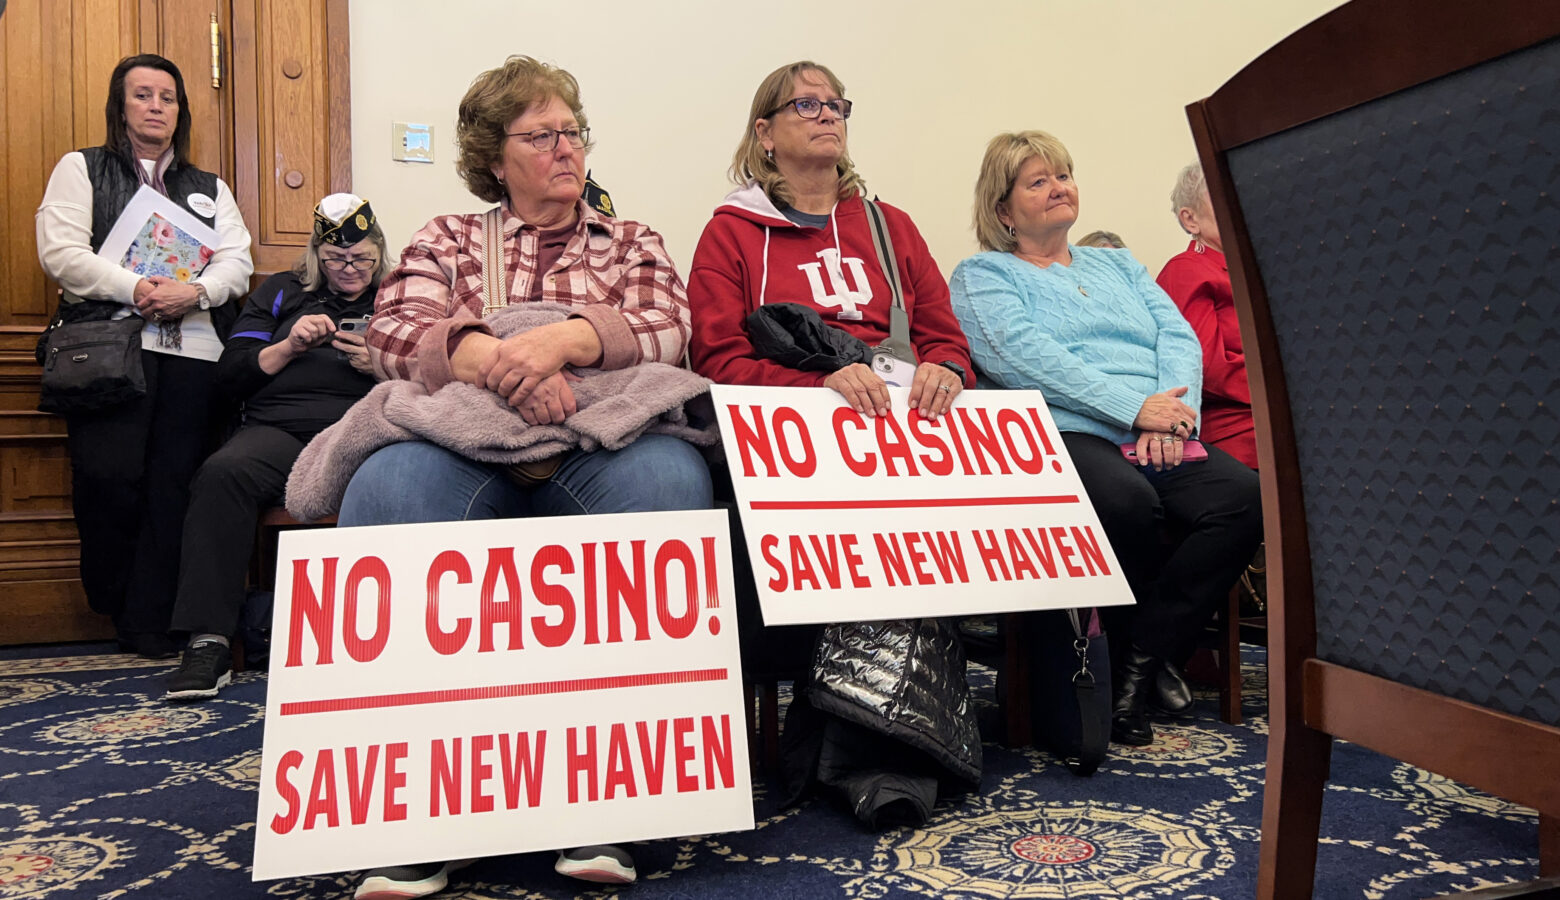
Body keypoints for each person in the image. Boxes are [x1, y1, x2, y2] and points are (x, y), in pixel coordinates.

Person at [339, 56, 710, 899]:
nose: (565, 148)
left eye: (572, 131)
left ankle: (612, 801)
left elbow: (667, 329)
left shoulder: (633, 239)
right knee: (387, 495)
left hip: (597, 443)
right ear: (493, 155)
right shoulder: (448, 238)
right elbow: (394, 331)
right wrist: (496, 357)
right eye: (541, 135)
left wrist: (566, 341)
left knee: (669, 486)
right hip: (466, 442)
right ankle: (415, 808)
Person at [688, 60, 980, 829]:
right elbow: (716, 360)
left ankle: (884, 734)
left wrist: (946, 372)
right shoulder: (731, 232)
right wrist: (814, 389)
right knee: (859, 512)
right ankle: (862, 738)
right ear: (765, 133)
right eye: (806, 104)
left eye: (836, 104)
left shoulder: (893, 227)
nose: (827, 115)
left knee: (916, 509)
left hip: (893, 430)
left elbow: (947, 339)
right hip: (793, 434)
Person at [948, 130, 1261, 746]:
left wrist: (1174, 414)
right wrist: (1133, 410)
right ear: (1003, 210)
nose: (1058, 187)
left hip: (1157, 423)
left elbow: (1177, 339)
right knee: (1127, 504)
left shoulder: (1118, 263)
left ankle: (1139, 662)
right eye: (1038, 181)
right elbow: (1023, 358)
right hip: (1067, 431)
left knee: (1243, 499)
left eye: (1063, 174)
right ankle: (1125, 666)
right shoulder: (983, 275)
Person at [35, 53, 254, 658]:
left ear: (180, 110)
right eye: (143, 96)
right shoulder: (82, 168)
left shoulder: (209, 186)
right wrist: (135, 288)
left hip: (192, 352)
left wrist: (198, 290)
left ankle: (151, 620)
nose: (157, 107)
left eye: (168, 97)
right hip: (108, 349)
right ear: (120, 106)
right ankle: (112, 598)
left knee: (173, 484)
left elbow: (237, 260)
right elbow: (61, 253)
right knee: (110, 478)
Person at [162, 193, 387, 700]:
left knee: (412, 471)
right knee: (224, 473)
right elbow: (231, 374)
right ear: (316, 255)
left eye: (362, 258)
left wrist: (383, 364)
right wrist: (287, 347)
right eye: (335, 259)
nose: (350, 268)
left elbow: (437, 368)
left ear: (379, 253)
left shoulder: (399, 295)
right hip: (279, 431)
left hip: (367, 427)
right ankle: (209, 641)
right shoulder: (281, 292)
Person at [1156, 161, 1256, 469]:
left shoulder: (1260, 269)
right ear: (1190, 219)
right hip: (1240, 427)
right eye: (1222, 195)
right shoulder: (1188, 270)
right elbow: (1208, 369)